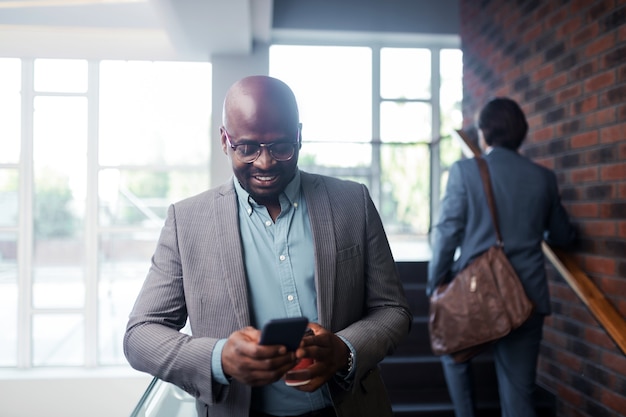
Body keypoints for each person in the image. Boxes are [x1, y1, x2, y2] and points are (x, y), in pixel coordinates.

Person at [123, 75, 412, 417]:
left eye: (281, 147)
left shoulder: (353, 202)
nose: (265, 163)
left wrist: (344, 350)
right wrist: (219, 358)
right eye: (246, 148)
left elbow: (393, 309)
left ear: (300, 136)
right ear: (224, 140)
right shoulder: (186, 221)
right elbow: (139, 336)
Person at [427, 97, 577, 417]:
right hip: (528, 298)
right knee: (519, 396)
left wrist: (435, 283)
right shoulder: (543, 177)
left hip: (473, 293)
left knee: (452, 351)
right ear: (521, 133)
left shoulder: (466, 171)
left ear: (484, 133)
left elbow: (446, 234)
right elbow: (563, 235)